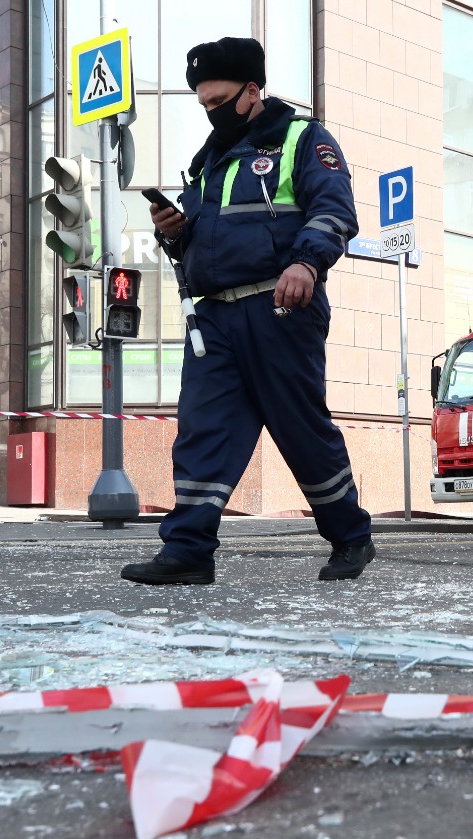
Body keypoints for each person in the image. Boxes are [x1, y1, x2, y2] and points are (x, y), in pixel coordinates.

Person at [121, 36, 373, 585]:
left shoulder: (303, 139)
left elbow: (334, 209)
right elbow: (202, 246)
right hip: (215, 319)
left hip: (281, 307)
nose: (210, 114)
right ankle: (187, 551)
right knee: (202, 431)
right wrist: (177, 234)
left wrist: (306, 264)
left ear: (253, 91)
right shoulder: (207, 162)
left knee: (301, 430)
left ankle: (351, 537)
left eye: (218, 102)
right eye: (203, 105)